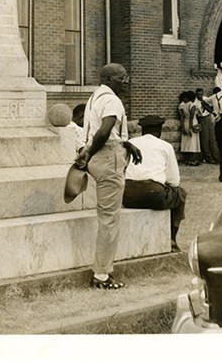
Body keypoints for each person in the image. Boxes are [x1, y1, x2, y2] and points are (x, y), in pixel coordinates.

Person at [75, 63, 142, 290]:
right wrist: (89, 153)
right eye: (122, 77)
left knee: (107, 216)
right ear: (110, 79)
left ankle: (103, 271)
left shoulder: (96, 97)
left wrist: (126, 143)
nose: (127, 81)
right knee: (109, 219)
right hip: (107, 158)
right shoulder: (112, 100)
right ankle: (102, 275)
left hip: (101, 157)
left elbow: (107, 133)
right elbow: (104, 131)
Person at [122, 115, 187, 252]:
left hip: (127, 194)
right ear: (160, 130)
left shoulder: (130, 143)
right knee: (180, 193)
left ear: (142, 130)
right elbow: (174, 180)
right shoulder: (165, 146)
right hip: (152, 193)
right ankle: (172, 239)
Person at [194, 88, 219, 164]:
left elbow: (212, 107)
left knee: (212, 138)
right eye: (198, 95)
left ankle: (216, 157)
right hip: (201, 118)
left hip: (208, 117)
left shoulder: (206, 99)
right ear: (196, 95)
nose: (200, 96)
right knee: (205, 139)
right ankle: (208, 157)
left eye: (201, 94)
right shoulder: (195, 102)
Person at [178, 91, 201, 166]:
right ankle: (192, 159)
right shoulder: (192, 105)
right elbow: (192, 117)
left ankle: (187, 159)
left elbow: (183, 116)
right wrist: (191, 127)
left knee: (187, 140)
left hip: (185, 122)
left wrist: (184, 127)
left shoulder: (184, 105)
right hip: (192, 122)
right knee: (193, 141)